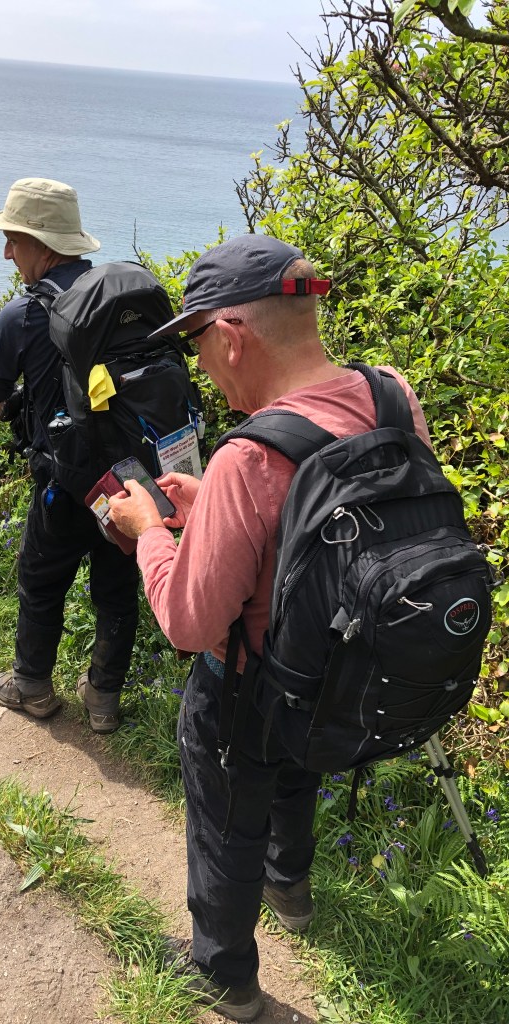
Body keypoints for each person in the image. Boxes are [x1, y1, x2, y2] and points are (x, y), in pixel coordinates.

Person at [107, 234, 431, 1022]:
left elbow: (190, 623)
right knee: (298, 775)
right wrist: (212, 510)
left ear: (231, 334)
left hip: (247, 690)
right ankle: (292, 889)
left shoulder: (247, 458)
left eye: (196, 343)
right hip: (345, 670)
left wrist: (148, 531)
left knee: (227, 825)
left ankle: (224, 977)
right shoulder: (392, 394)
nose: (201, 367)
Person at [0, 178, 140, 733]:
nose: (6, 253)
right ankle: (103, 698)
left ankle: (32, 686)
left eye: (13, 240)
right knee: (117, 589)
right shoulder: (119, 297)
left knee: (41, 581)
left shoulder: (23, 314)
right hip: (131, 479)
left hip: (66, 482)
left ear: (42, 244)